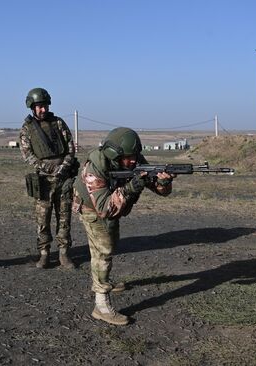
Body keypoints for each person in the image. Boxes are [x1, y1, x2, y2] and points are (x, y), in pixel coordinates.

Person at [73, 127, 174, 325]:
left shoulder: (136, 160)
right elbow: (103, 209)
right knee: (103, 252)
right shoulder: (94, 167)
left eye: (135, 156)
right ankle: (101, 305)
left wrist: (164, 182)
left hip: (112, 207)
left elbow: (159, 190)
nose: (134, 161)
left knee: (111, 244)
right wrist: (130, 187)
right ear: (115, 154)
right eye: (129, 158)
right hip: (92, 209)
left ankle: (104, 280)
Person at [19, 87, 78, 269]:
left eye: (44, 106)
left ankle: (64, 253)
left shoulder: (58, 123)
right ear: (32, 107)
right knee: (42, 220)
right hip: (44, 181)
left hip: (63, 178)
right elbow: (27, 154)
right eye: (39, 106)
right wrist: (46, 167)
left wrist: (64, 166)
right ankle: (44, 254)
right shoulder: (27, 129)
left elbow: (70, 147)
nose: (42, 109)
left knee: (64, 218)